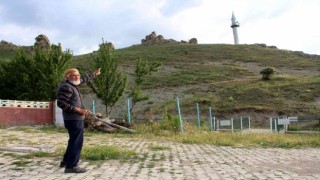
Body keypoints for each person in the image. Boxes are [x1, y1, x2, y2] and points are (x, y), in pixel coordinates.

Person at [57, 68, 101, 173]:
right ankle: (71, 166)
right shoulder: (67, 87)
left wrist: (94, 74)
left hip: (74, 119)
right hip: (73, 119)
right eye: (74, 75)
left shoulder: (72, 84)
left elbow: (82, 80)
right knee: (77, 142)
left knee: (73, 141)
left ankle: (66, 161)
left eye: (78, 75)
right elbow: (61, 103)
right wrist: (79, 110)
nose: (77, 77)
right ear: (68, 77)